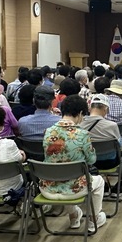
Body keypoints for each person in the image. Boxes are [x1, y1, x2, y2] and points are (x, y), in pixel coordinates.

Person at [42, 95, 106, 231]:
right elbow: (91, 160)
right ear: (81, 113)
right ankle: (93, 220)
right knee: (98, 181)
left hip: (48, 187)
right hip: (74, 189)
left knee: (63, 176)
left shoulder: (48, 132)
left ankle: (73, 216)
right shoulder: (82, 134)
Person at [79, 94, 122, 196]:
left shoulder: (81, 124)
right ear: (105, 109)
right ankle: (119, 186)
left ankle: (104, 186)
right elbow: (118, 146)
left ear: (90, 107)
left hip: (89, 163)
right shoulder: (112, 125)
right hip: (110, 161)